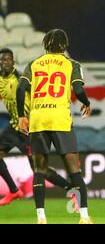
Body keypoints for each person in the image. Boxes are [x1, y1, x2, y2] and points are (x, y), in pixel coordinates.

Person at [16, 29, 93, 224]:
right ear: (65, 45)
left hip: (38, 119)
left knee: (40, 170)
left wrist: (21, 116)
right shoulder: (71, 64)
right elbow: (77, 89)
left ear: (45, 45)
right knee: (74, 169)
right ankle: (84, 217)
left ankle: (41, 217)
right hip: (59, 119)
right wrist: (86, 102)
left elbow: (20, 88)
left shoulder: (34, 64)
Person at [0, 48, 73, 206]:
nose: (5, 62)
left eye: (8, 59)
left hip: (29, 129)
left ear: (13, 61)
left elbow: (39, 93)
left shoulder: (21, 79)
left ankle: (71, 189)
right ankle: (14, 191)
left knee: (39, 170)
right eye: (2, 60)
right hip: (14, 127)